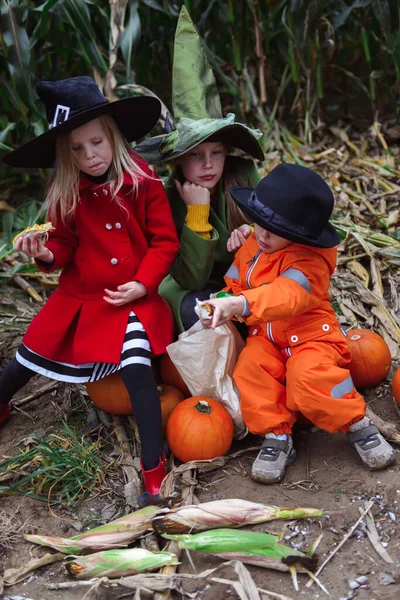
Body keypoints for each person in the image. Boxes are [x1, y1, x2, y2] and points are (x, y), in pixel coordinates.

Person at [1, 76, 179, 501]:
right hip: (82, 296)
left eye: (96, 143)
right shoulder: (66, 189)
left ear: (113, 137)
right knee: (30, 352)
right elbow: (63, 246)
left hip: (133, 297)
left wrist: (142, 283)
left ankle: (152, 462)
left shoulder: (144, 180)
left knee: (137, 368)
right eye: (77, 149)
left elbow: (165, 242)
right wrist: (44, 253)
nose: (89, 155)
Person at [199, 163, 396, 483]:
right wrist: (223, 301)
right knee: (250, 368)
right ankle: (277, 436)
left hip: (310, 335)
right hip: (266, 337)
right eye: (259, 222)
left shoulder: (311, 261)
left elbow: (287, 295)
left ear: (298, 235)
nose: (262, 233)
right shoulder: (252, 244)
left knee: (311, 377)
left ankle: (357, 424)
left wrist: (241, 303)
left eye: (274, 230)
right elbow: (237, 283)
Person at [135, 6, 264, 333]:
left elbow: (276, 238)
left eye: (216, 152)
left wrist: (251, 235)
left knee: (268, 308)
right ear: (178, 160)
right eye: (196, 155)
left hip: (248, 280)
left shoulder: (244, 175)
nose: (208, 164)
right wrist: (197, 213)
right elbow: (189, 276)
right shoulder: (167, 197)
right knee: (198, 313)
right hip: (195, 286)